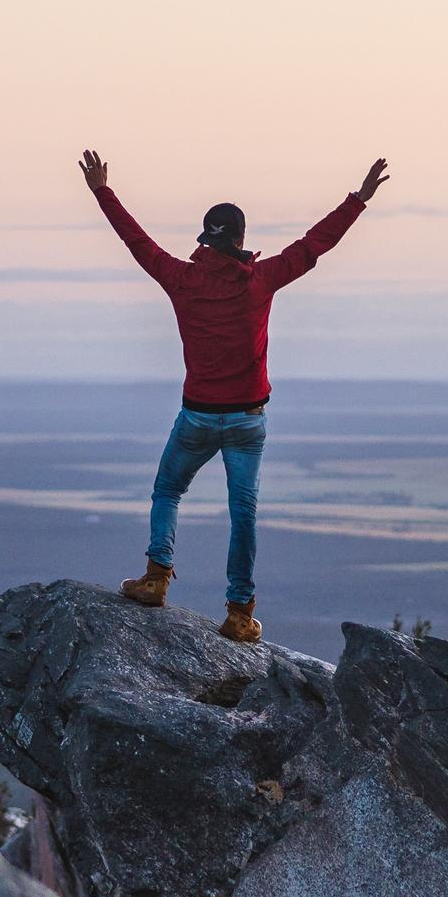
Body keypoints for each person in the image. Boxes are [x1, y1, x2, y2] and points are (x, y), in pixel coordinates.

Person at [80, 147, 387, 644]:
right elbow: (314, 245)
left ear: (205, 239)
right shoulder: (259, 282)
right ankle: (240, 612)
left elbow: (136, 241)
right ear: (241, 239)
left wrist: (102, 192)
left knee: (167, 490)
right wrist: (359, 199)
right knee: (243, 512)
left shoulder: (181, 278)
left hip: (197, 417)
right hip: (247, 420)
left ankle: (157, 578)